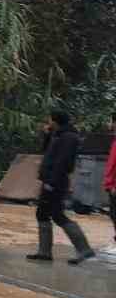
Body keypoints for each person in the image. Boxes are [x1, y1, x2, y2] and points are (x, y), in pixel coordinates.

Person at [28, 110, 96, 264]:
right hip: (50, 180)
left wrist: (51, 182)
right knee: (42, 214)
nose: (48, 122)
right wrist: (47, 135)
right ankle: (44, 252)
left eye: (50, 120)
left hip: (56, 181)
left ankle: (84, 249)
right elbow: (47, 153)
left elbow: (62, 161)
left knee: (57, 215)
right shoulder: (58, 135)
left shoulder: (68, 137)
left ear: (55, 121)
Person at [103, 111, 116, 256]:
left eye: (112, 121)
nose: (110, 124)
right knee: (113, 215)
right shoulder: (114, 141)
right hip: (111, 185)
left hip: (114, 186)